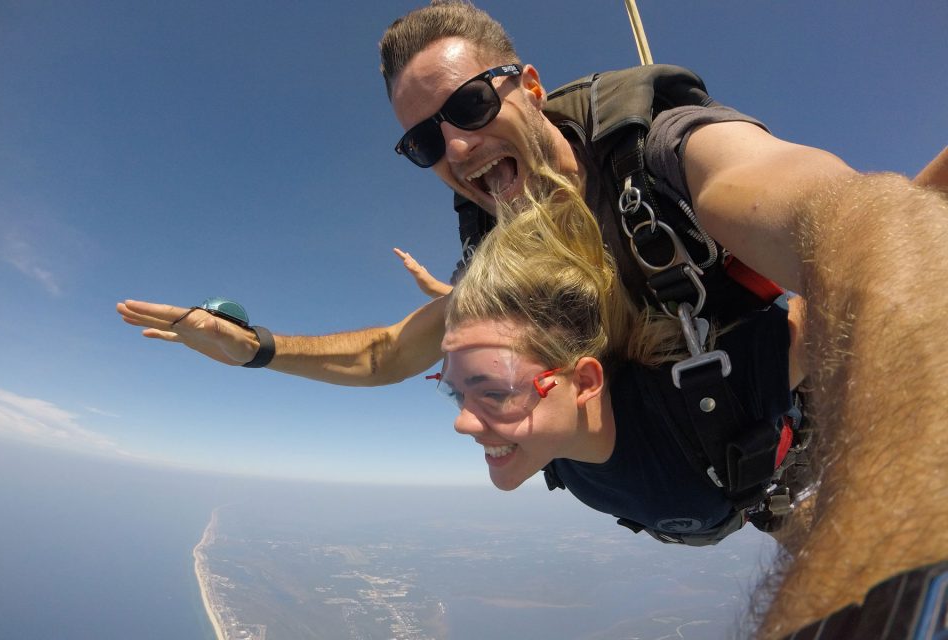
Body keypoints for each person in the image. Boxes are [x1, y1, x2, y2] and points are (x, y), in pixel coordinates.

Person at [116, 1, 948, 634]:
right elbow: (383, 356)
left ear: (531, 87)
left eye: (471, 106)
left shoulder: (669, 157)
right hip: (688, 479)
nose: (459, 149)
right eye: (424, 143)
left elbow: (853, 228)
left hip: (770, 452)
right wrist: (258, 349)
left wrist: (896, 566)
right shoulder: (493, 267)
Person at [434, 166, 804, 547]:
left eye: (495, 394)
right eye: (457, 393)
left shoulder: (710, 393)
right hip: (738, 502)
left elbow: (852, 295)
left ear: (584, 382)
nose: (463, 423)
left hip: (791, 482)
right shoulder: (548, 439)